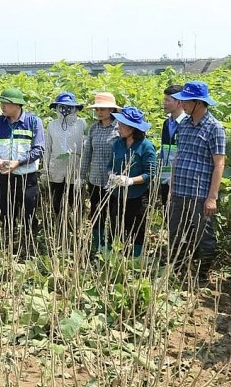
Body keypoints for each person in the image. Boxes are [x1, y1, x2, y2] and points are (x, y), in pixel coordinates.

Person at [168, 81, 226, 271]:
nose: (182, 104)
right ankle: (178, 269)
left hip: (200, 194)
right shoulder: (184, 124)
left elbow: (219, 164)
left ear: (198, 103)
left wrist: (212, 197)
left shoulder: (214, 127)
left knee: (204, 235)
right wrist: (172, 184)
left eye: (186, 101)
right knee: (175, 231)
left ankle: (202, 274)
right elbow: (179, 155)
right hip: (179, 190)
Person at [0, 88, 45, 246]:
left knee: (29, 212)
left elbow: (39, 149)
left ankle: (29, 244)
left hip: (26, 177)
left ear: (18, 105)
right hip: (4, 176)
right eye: (2, 103)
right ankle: (8, 243)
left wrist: (19, 162)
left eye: (6, 104)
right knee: (5, 212)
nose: (2, 107)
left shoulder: (33, 122)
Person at [108, 107, 156, 258]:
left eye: (122, 125)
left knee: (137, 227)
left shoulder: (146, 146)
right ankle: (116, 256)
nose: (119, 127)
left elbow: (151, 173)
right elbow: (110, 165)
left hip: (137, 195)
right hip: (118, 194)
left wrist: (130, 181)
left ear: (133, 128)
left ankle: (136, 258)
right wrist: (112, 176)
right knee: (116, 226)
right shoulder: (117, 144)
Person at [80, 92, 120, 253]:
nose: (99, 112)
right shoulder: (93, 128)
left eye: (103, 109)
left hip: (114, 181)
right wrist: (81, 176)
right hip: (95, 179)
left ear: (111, 109)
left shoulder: (119, 128)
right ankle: (98, 245)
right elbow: (87, 153)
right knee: (97, 214)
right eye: (97, 109)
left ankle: (112, 246)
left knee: (115, 215)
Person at [44, 92, 86, 215]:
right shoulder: (52, 125)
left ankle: (75, 228)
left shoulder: (81, 124)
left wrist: (84, 173)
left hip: (75, 169)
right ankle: (59, 226)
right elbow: (47, 148)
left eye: (69, 107)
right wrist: (45, 171)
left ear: (75, 108)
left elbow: (86, 148)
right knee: (57, 202)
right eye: (62, 107)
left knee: (76, 203)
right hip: (56, 169)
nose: (65, 110)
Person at [158, 85, 187, 206]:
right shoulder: (166, 123)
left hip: (181, 178)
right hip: (165, 177)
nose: (164, 103)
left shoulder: (187, 124)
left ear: (179, 102)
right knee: (167, 214)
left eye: (167, 100)